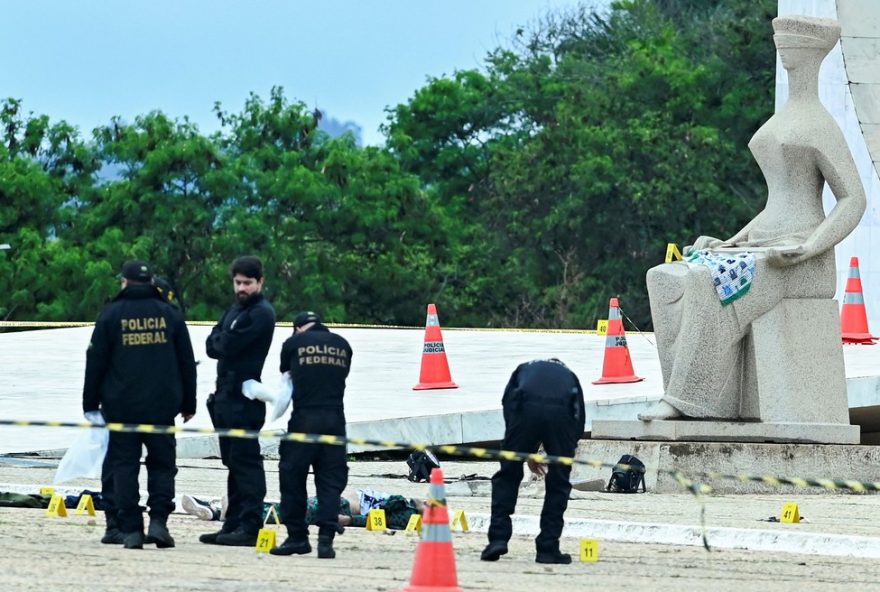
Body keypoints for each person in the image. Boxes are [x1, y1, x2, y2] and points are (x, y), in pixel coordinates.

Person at [639, 16, 866, 421]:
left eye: (790, 43)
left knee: (711, 283)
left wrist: (810, 247)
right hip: (761, 246)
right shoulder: (781, 120)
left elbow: (853, 200)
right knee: (665, 277)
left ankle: (687, 400)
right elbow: (773, 204)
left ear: (811, 52)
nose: (782, 49)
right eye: (780, 42)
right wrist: (731, 242)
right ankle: (704, 397)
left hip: (799, 261)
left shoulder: (821, 125)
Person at [82, 260, 197, 549]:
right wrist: (189, 402)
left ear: (125, 282)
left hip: (121, 407)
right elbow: (186, 361)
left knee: (124, 466)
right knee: (161, 465)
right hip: (161, 407)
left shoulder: (111, 314)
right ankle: (158, 523)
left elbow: (95, 362)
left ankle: (132, 529)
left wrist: (90, 402)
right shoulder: (170, 313)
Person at [200, 256, 276, 546]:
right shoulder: (235, 309)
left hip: (244, 398)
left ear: (259, 282)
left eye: (247, 282)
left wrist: (222, 340)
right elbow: (212, 344)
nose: (241, 287)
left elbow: (227, 345)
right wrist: (221, 340)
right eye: (238, 282)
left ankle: (250, 525)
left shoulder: (261, 313)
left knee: (247, 463)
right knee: (232, 463)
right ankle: (231, 524)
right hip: (224, 397)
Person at [481, 358, 585, 564]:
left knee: (508, 476)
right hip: (561, 413)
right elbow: (578, 419)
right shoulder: (570, 376)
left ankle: (498, 539)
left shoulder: (523, 369)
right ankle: (548, 547)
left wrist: (521, 450)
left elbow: (508, 404)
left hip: (524, 407)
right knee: (558, 483)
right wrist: (563, 453)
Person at [272, 311, 353, 559]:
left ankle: (297, 537)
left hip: (305, 419)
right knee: (330, 481)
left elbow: (285, 371)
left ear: (298, 328)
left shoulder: (294, 343)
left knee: (293, 477)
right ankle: (325, 542)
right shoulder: (343, 345)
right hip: (335, 420)